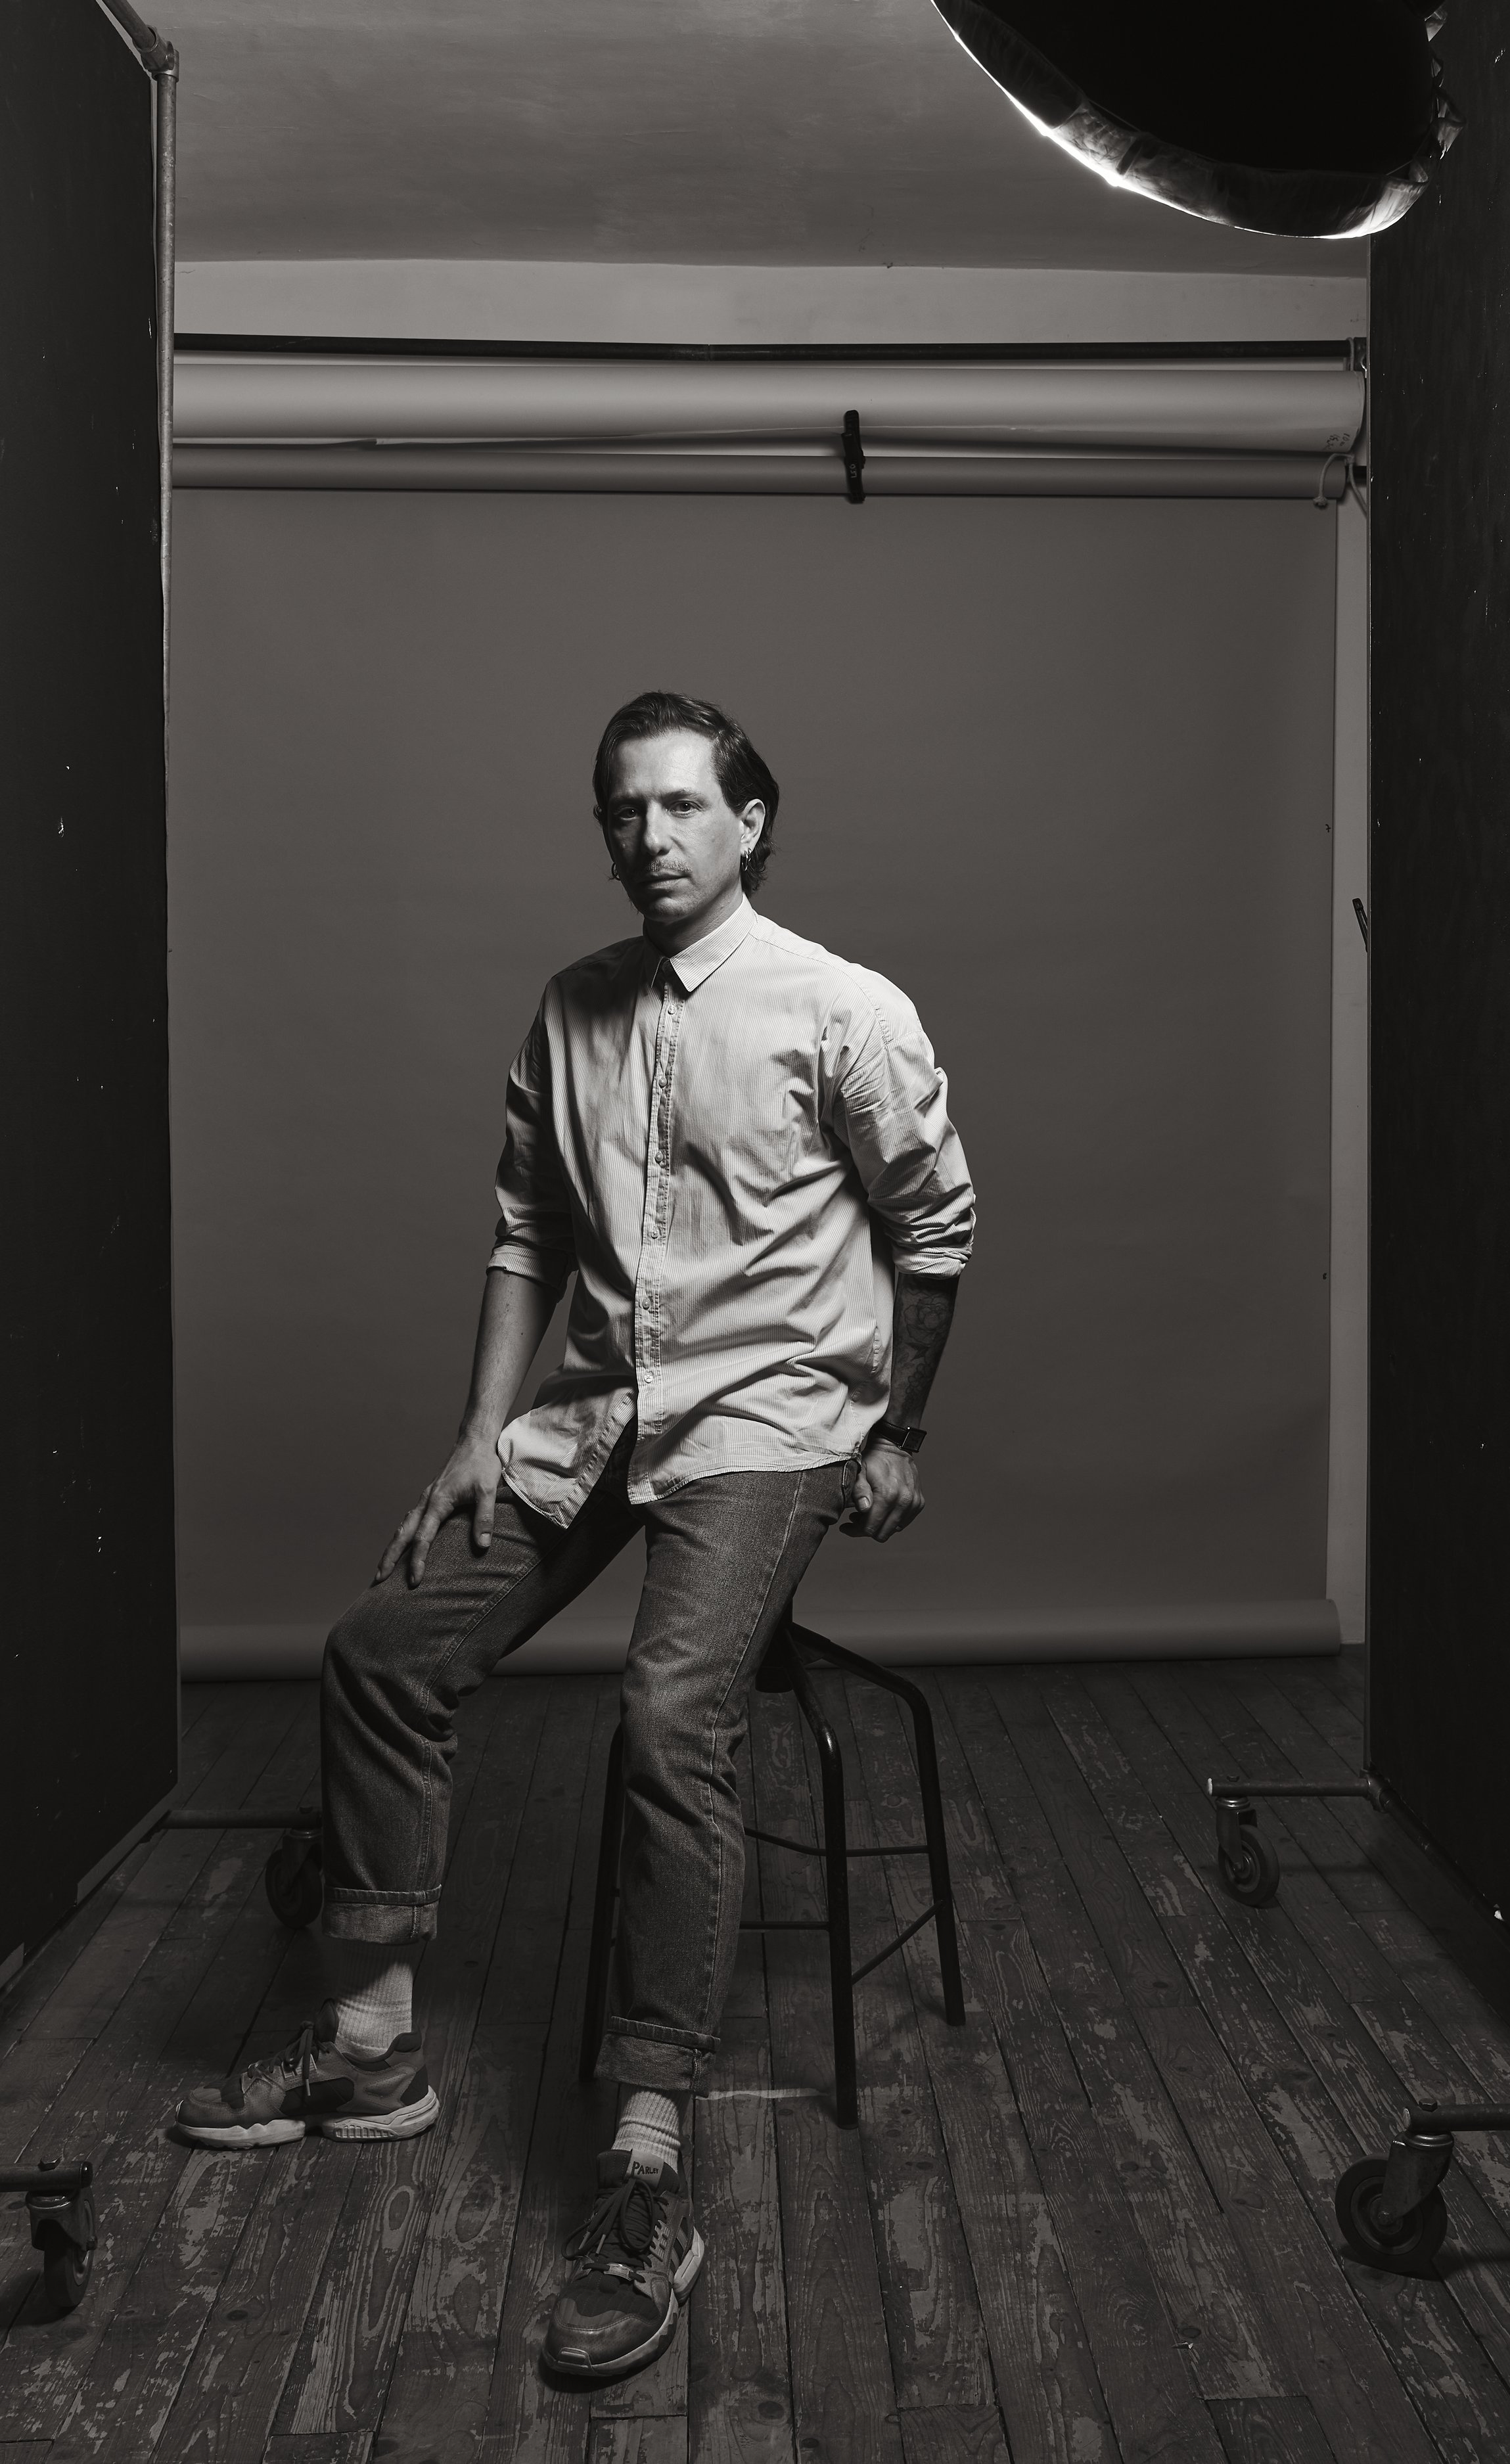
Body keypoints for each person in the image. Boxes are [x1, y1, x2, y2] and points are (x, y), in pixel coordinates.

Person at [176, 690, 975, 2380]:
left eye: (685, 807)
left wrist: (894, 1428)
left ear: (748, 821)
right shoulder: (573, 1009)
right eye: (624, 812)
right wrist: (481, 1429)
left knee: (671, 1713)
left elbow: (933, 1229)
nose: (652, 839)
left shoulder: (841, 1007)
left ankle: (643, 2163)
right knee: (379, 1650)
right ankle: (375, 2048)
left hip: (769, 1423)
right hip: (610, 1413)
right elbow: (528, 1230)